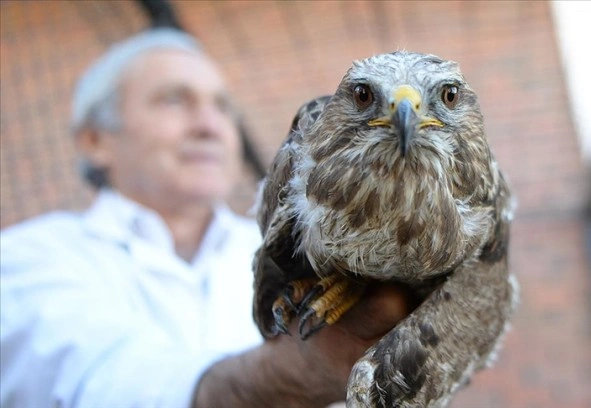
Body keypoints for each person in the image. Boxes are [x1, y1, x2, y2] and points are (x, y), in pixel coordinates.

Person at [0, 28, 409, 407]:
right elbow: (94, 382)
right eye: (175, 99)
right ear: (94, 140)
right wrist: (293, 372)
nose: (210, 125)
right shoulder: (27, 258)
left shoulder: (291, 252)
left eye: (222, 106)